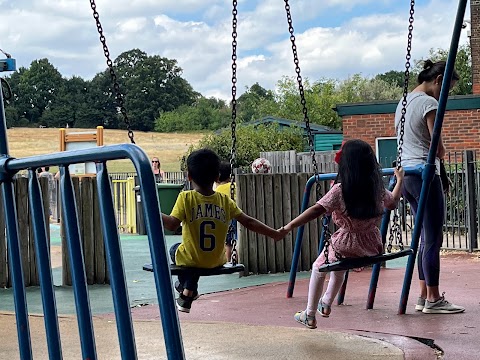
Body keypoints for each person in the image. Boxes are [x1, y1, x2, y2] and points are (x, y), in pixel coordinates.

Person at [278, 139, 404, 329]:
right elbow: (393, 202)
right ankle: (326, 302)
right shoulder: (375, 188)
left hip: (346, 243)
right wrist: (400, 180)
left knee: (319, 267)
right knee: (338, 268)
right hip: (371, 244)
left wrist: (288, 226)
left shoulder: (339, 190)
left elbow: (315, 210)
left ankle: (310, 315)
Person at [161, 149, 282, 313]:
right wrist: (273, 233)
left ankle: (188, 289)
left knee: (174, 249)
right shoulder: (225, 200)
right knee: (194, 257)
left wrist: (152, 210)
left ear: (189, 176)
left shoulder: (186, 198)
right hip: (216, 260)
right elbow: (248, 222)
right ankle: (187, 292)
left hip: (190, 259)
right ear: (217, 177)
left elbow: (171, 225)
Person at [394, 60, 465, 314]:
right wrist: (442, 154)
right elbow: (437, 146)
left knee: (424, 236)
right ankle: (434, 298)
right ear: (438, 81)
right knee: (433, 237)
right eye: (447, 88)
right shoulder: (429, 103)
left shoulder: (404, 102)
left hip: (408, 175)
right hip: (425, 174)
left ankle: (423, 294)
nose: (445, 94)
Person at [215, 161, 236, 262]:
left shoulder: (218, 190)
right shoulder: (236, 186)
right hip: (239, 216)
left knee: (228, 243)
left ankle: (228, 261)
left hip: (227, 219)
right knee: (237, 240)